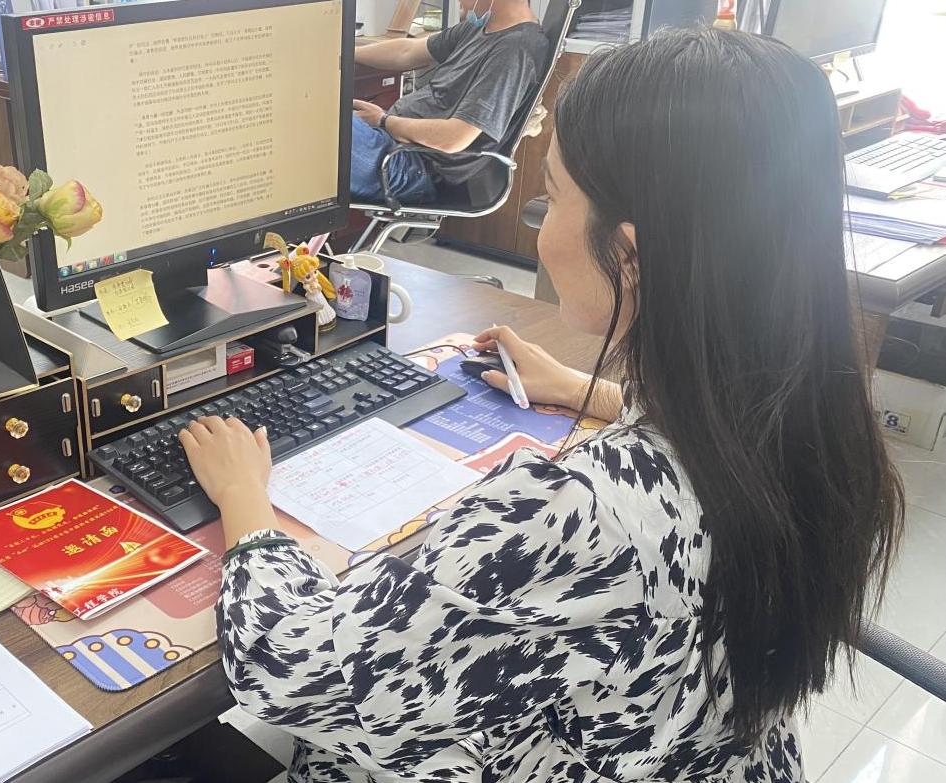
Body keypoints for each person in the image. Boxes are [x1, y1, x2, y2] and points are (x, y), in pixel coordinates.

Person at [179, 28, 904, 783]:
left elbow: (292, 671)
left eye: (551, 198)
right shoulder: (818, 416)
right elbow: (706, 453)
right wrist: (582, 390)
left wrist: (244, 499)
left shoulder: (583, 512)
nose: (541, 224)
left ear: (628, 254)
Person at [349, 0, 549, 204]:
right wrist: (344, 53)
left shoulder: (515, 50)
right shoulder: (480, 28)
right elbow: (406, 51)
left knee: (330, 124)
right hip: (393, 145)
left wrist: (384, 120)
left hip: (410, 166)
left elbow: (455, 138)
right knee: (330, 117)